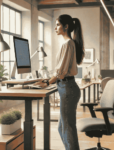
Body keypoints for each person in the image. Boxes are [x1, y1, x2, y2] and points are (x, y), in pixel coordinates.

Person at [34, 14, 84, 150]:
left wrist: (48, 82)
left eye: (57, 24)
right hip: (66, 87)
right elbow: (61, 71)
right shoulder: (68, 43)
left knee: (67, 129)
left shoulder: (68, 44)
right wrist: (48, 80)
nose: (55, 27)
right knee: (62, 128)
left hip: (67, 88)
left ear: (66, 27)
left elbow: (61, 72)